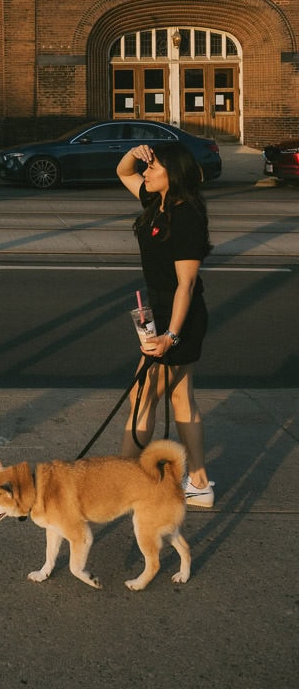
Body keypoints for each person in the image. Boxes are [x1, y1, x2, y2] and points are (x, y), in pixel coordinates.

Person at [116, 141, 215, 507]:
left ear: (172, 175)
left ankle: (122, 484)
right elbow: (123, 171)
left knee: (141, 398)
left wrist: (170, 336)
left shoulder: (185, 215)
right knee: (180, 397)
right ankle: (199, 483)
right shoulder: (157, 202)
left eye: (153, 168)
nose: (146, 173)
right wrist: (136, 152)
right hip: (161, 310)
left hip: (179, 316)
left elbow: (186, 285)